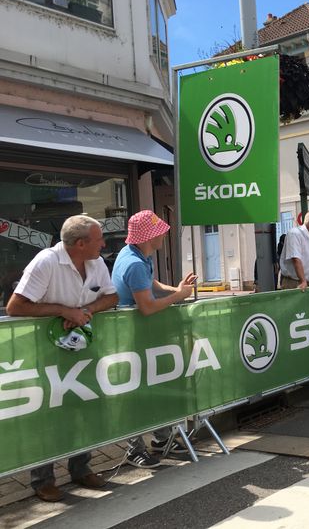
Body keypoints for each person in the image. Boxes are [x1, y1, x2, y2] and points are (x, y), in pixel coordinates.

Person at [6, 215, 119, 502]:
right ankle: (42, 479)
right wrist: (64, 311)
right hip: (45, 351)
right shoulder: (46, 262)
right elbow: (15, 307)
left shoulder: (96, 262)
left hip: (82, 348)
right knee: (48, 412)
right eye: (98, 239)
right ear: (80, 244)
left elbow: (112, 297)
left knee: (85, 406)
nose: (104, 244)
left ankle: (81, 468)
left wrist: (88, 310)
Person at [111, 210, 197, 468]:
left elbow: (151, 283)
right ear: (150, 236)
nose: (164, 233)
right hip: (134, 336)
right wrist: (179, 296)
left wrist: (178, 290)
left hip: (143, 336)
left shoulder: (138, 255)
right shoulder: (135, 263)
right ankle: (134, 448)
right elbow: (147, 306)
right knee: (137, 394)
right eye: (160, 230)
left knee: (152, 387)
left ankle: (161, 440)